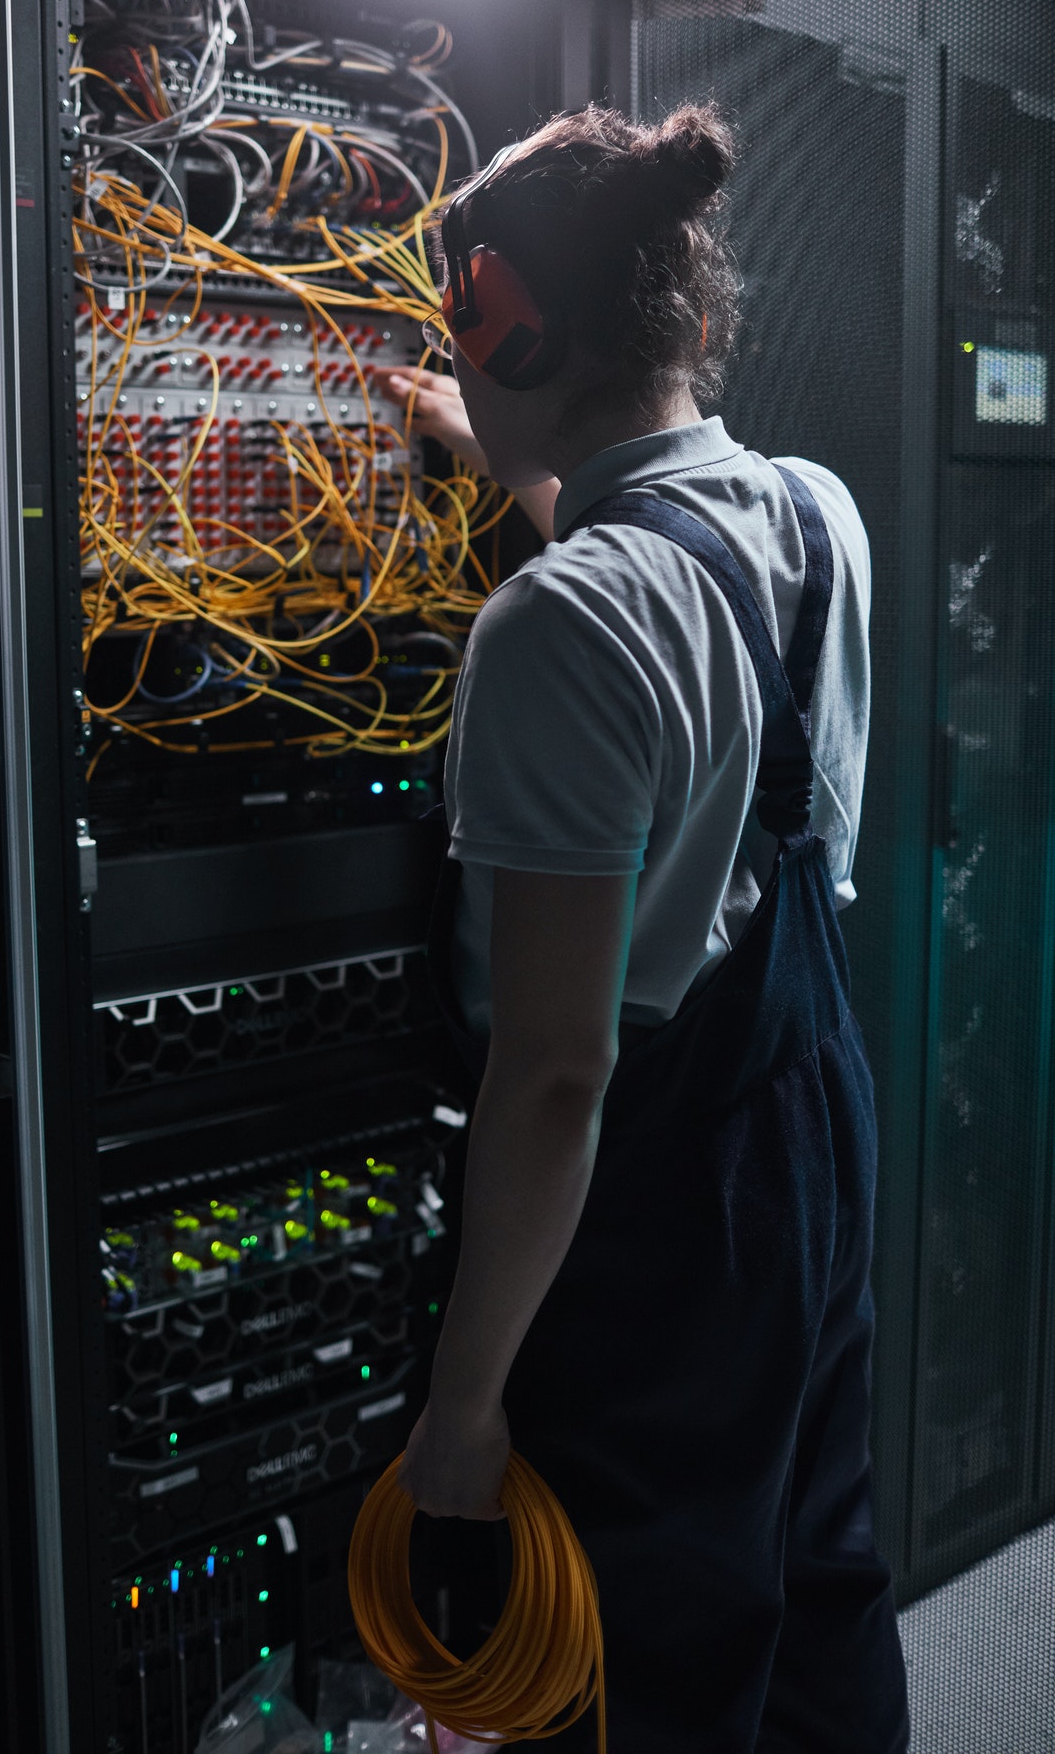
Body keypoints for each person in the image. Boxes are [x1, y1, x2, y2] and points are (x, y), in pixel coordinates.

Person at [366, 103, 911, 1753]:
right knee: (807, 1582)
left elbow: (553, 1076)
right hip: (805, 1143)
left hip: (645, 1209)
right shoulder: (813, 520)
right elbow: (675, 619)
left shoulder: (557, 626)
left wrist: (461, 1421)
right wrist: (498, 450)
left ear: (507, 312)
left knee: (633, 1657)